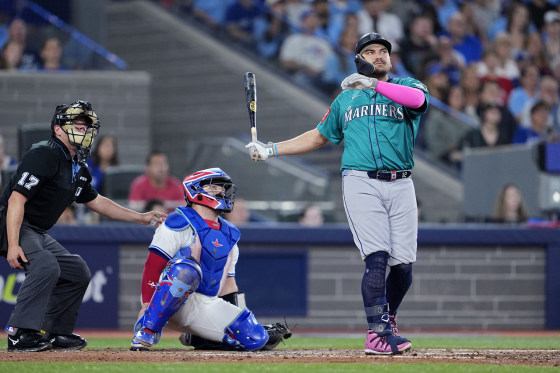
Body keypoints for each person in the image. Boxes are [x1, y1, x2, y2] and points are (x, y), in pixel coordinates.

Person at [245, 33, 429, 355]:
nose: (379, 55)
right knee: (377, 259)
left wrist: (372, 85)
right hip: (361, 181)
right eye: (370, 52)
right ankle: (377, 334)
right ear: (358, 60)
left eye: (383, 51)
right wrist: (270, 149)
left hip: (402, 183)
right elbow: (318, 137)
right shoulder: (345, 100)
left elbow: (418, 102)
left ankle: (387, 321)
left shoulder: (407, 86)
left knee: (404, 269)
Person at [0, 100, 166, 352]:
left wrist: (141, 217)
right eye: (77, 126)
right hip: (10, 221)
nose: (84, 131)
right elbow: (16, 198)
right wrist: (12, 244)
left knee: (77, 271)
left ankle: (54, 332)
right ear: (58, 129)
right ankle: (19, 332)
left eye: (87, 127)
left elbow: (97, 201)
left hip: (35, 230)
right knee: (45, 264)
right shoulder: (45, 153)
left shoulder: (78, 166)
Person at [130, 168, 290, 352]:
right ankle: (147, 330)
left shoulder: (229, 234)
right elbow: (152, 267)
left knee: (256, 338)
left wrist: (238, 318)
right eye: (214, 187)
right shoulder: (177, 222)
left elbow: (229, 286)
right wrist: (145, 307)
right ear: (195, 191)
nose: (222, 192)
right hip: (165, 300)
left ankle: (198, 337)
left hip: (204, 303)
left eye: (223, 188)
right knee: (187, 270)